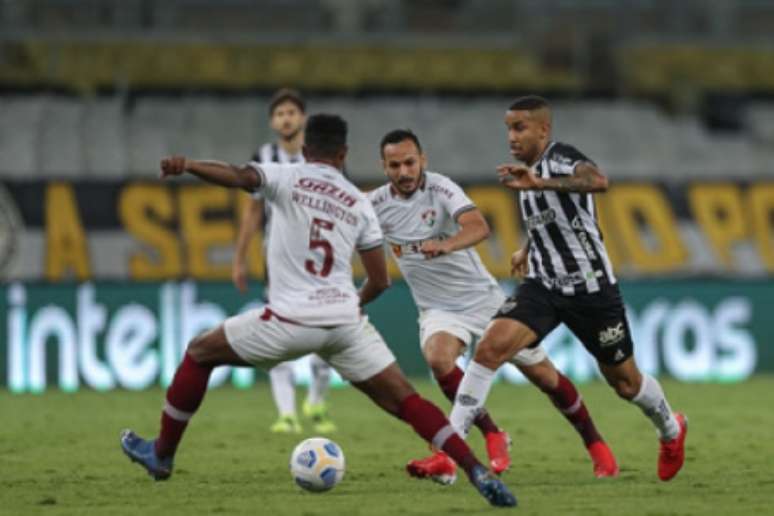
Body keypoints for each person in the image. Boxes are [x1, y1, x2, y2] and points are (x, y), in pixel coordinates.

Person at [119, 114, 516, 508]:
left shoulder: (287, 176)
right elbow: (380, 281)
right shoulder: (358, 204)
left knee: (200, 351)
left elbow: (239, 176)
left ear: (306, 151)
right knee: (408, 402)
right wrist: (346, 308)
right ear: (344, 154)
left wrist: (188, 165)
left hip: (291, 319)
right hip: (346, 322)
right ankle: (476, 470)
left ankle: (162, 454)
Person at [448, 95, 688, 482]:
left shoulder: (559, 159)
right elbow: (554, 219)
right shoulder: (525, 172)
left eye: (520, 127)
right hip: (543, 286)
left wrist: (539, 181)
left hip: (593, 291)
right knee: (492, 346)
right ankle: (451, 449)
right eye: (508, 128)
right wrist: (527, 247)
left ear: (544, 129)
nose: (512, 136)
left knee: (626, 384)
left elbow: (598, 181)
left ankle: (671, 430)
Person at [368, 129, 618, 485]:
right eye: (395, 165)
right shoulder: (375, 204)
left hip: (483, 300)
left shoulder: (441, 189)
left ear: (423, 160)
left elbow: (478, 227)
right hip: (438, 308)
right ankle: (490, 433)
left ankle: (595, 443)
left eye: (410, 162)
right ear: (384, 166)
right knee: (439, 359)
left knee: (545, 377)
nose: (404, 172)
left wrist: (447, 245)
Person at [232, 88, 335, 434]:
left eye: (292, 112)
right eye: (279, 114)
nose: (286, 118)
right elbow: (252, 212)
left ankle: (317, 404)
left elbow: (341, 207)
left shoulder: (322, 157)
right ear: (272, 122)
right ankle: (287, 413)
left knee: (326, 336)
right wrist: (239, 258)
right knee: (277, 336)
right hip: (277, 263)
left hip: (319, 260)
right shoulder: (264, 156)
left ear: (303, 118)